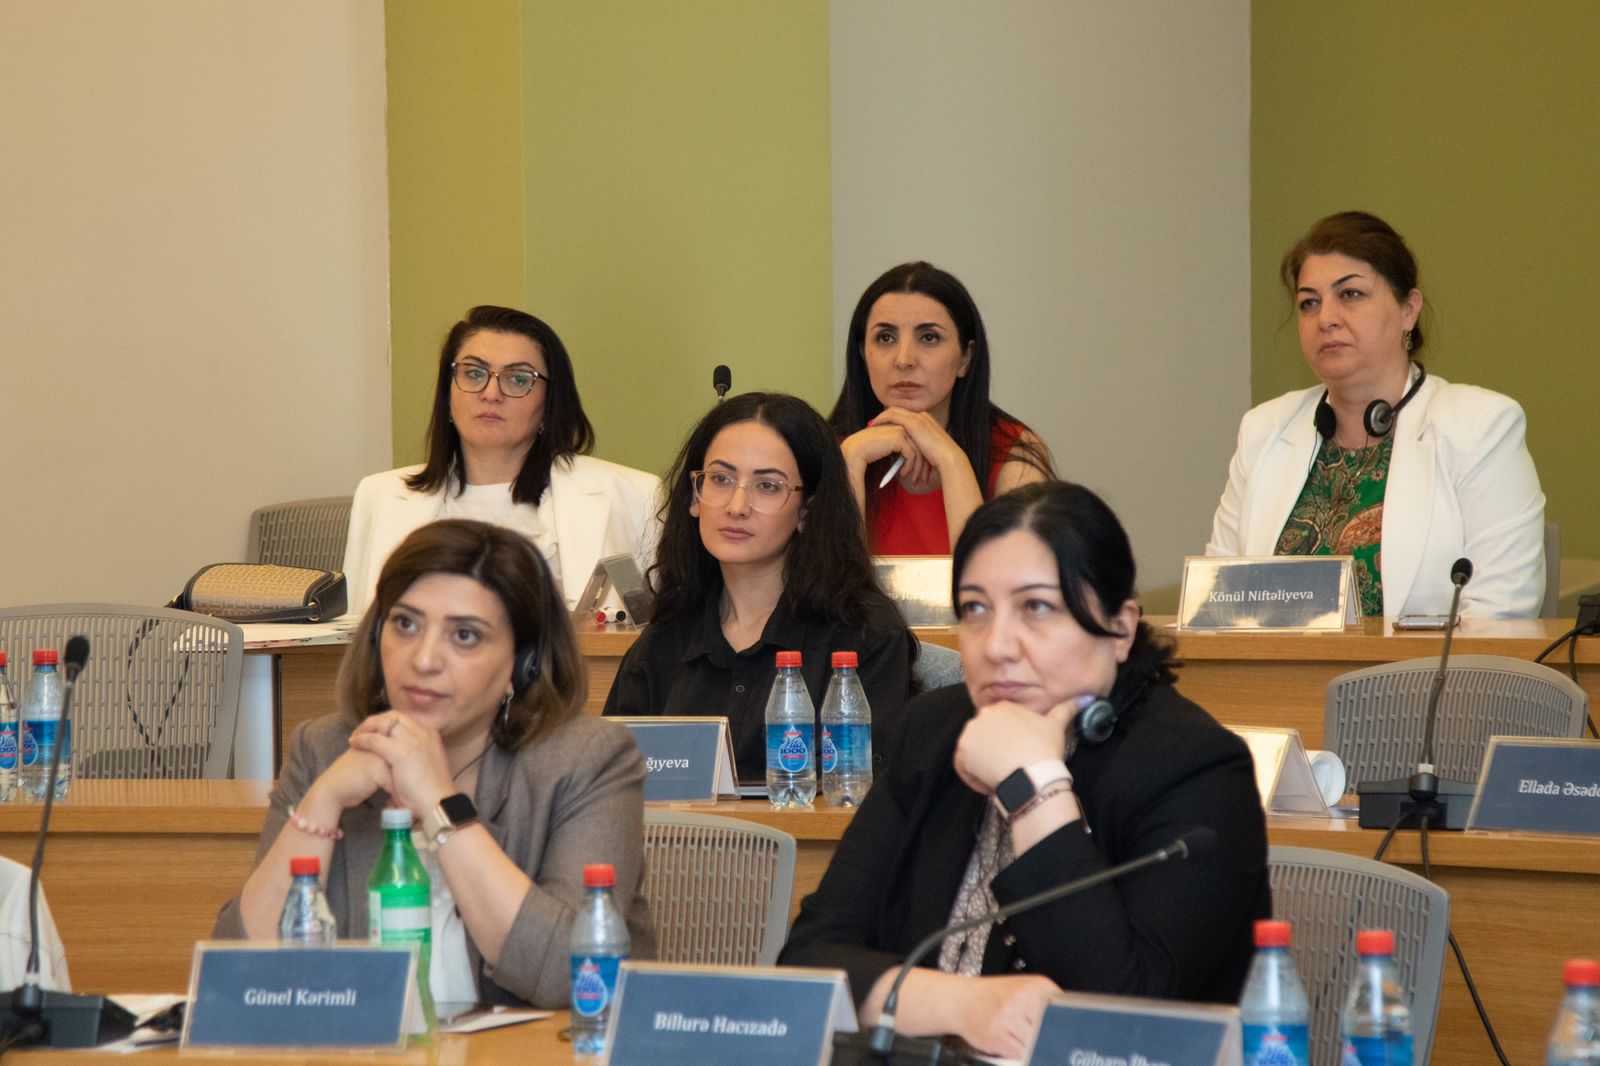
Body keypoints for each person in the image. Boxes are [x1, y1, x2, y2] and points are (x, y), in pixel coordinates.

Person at [780, 482, 1268, 1060]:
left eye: (1036, 608)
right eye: (975, 609)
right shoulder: (934, 731)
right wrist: (964, 1006)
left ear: (1120, 628)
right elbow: (811, 961)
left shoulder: (1195, 768)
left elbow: (1126, 1019)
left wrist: (1036, 787)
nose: (997, 646)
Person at [216, 519, 654, 1007]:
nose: (424, 659)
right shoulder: (325, 748)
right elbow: (239, 974)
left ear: (521, 664)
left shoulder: (588, 760)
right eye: (406, 624)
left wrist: (439, 804)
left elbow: (571, 976)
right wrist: (323, 800)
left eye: (465, 635)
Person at [1207, 211, 1546, 619]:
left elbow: (1502, 615)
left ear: (1408, 310)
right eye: (1309, 302)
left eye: (1350, 294)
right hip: (1274, 665)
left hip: (1433, 665)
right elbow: (1218, 608)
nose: (1326, 318)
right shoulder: (1263, 430)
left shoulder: (1481, 428)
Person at [603, 393, 918, 782]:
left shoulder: (865, 636)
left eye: (767, 486)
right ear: (694, 497)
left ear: (807, 510)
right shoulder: (663, 640)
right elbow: (609, 785)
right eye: (720, 479)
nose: (737, 506)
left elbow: (872, 795)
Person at [341, 305, 661, 614]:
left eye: (518, 379)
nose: (491, 393)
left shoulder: (634, 494)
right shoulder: (379, 495)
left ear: (550, 403)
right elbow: (351, 637)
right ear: (447, 392)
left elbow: (658, 637)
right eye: (474, 373)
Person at [830, 262, 1053, 555]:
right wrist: (849, 463)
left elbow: (999, 579)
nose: (904, 360)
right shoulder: (829, 449)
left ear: (965, 358)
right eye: (885, 338)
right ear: (863, 354)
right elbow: (828, 583)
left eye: (929, 337)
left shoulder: (1013, 453)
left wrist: (952, 461)